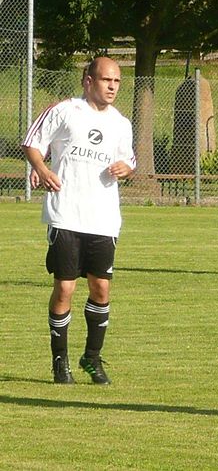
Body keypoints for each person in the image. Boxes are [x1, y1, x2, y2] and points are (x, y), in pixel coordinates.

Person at [22, 56, 136, 384]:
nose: (112, 87)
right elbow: (32, 142)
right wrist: (42, 169)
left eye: (116, 81)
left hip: (103, 218)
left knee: (101, 288)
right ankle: (60, 361)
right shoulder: (65, 111)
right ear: (88, 80)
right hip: (66, 214)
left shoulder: (121, 123)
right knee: (65, 288)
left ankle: (93, 358)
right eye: (106, 80)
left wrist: (127, 168)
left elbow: (128, 158)